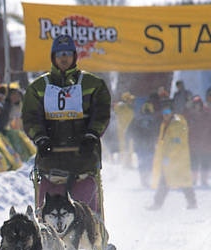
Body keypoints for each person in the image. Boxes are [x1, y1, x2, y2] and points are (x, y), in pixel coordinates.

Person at [22, 34, 111, 218]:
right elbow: (31, 118)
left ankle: (93, 232)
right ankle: (47, 236)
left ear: (74, 56)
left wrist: (92, 135)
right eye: (59, 54)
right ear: (53, 57)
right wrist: (40, 138)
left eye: (68, 53)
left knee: (84, 206)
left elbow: (101, 113)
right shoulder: (38, 87)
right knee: (48, 209)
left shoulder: (93, 84)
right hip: (51, 160)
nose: (64, 58)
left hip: (83, 158)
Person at [147, 105, 197, 209]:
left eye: (168, 111)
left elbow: (177, 142)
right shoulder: (167, 123)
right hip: (171, 160)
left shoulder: (176, 124)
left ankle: (191, 202)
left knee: (180, 180)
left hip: (177, 159)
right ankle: (158, 203)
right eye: (164, 112)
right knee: (168, 181)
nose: (165, 114)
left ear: (172, 112)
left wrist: (168, 157)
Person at [127, 101, 160, 188]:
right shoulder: (154, 119)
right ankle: (147, 180)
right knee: (149, 163)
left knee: (142, 163)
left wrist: (132, 139)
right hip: (150, 145)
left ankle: (143, 180)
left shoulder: (136, 119)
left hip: (139, 145)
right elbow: (158, 131)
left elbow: (129, 131)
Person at [184, 95, 211, 187]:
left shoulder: (207, 113)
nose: (197, 106)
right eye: (195, 104)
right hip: (193, 144)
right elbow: (184, 122)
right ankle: (194, 180)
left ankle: (204, 180)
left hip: (206, 144)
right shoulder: (190, 114)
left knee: (205, 163)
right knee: (194, 163)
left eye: (198, 104)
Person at [113, 91, 135, 167]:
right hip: (122, 130)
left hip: (130, 129)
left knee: (130, 146)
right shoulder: (121, 107)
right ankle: (124, 163)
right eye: (129, 99)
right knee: (123, 146)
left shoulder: (131, 108)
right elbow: (115, 108)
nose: (131, 101)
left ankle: (129, 162)